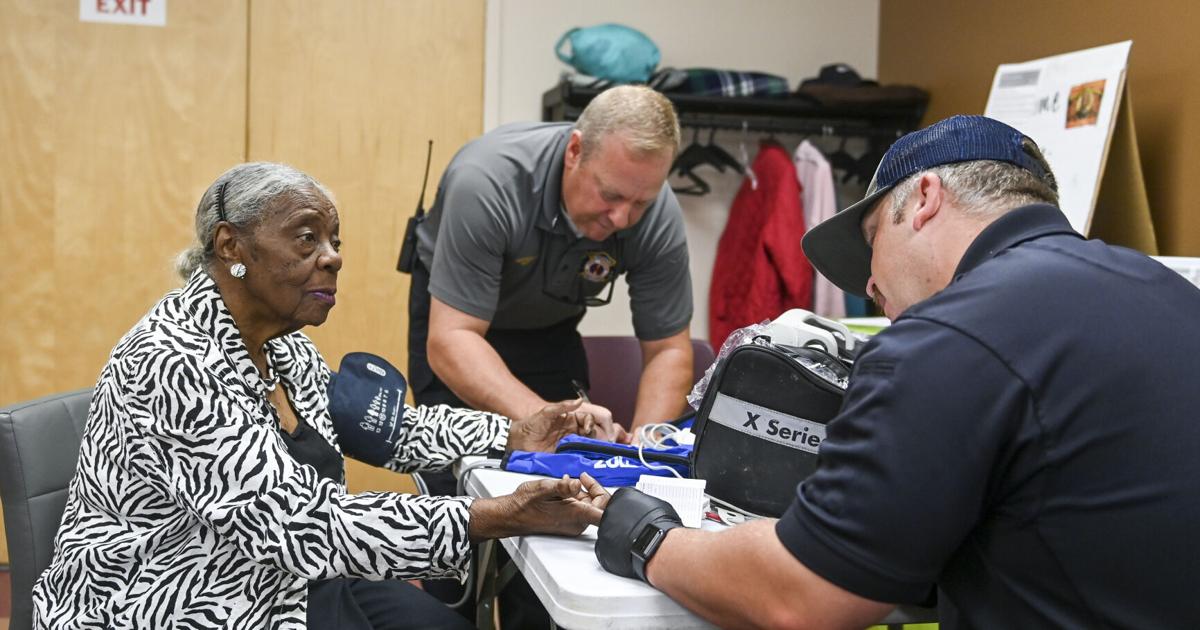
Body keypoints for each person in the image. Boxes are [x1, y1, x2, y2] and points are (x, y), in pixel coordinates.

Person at [593, 115, 1200, 628]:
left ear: (926, 200)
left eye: (872, 238)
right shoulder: (1170, 292)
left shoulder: (951, 333)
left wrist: (649, 538)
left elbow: (800, 597)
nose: (868, 285)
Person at [31, 162, 610, 629]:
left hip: (283, 577)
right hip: (174, 596)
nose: (333, 256)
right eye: (308, 238)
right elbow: (298, 526)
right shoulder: (174, 361)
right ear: (232, 247)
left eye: (334, 240)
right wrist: (495, 515)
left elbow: (387, 430)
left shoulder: (285, 346)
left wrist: (513, 432)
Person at [409, 85, 695, 441]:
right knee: (461, 470)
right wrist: (547, 421)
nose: (622, 218)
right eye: (610, 195)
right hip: (458, 327)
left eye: (640, 203)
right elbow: (452, 339)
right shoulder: (487, 183)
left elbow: (668, 349)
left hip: (549, 328)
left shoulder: (655, 209)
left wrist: (647, 446)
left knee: (571, 468)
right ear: (574, 151)